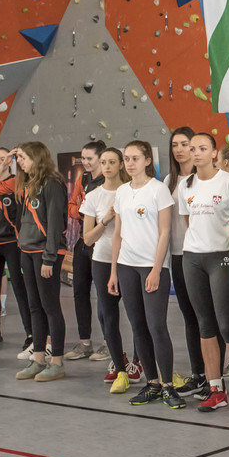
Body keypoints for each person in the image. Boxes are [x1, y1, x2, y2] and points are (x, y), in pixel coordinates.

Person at [177, 134, 229, 411]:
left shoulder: (228, 182)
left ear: (214, 153)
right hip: (192, 259)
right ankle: (216, 390)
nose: (196, 153)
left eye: (202, 148)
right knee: (205, 325)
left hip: (222, 258)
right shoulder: (185, 185)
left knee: (227, 325)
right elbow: (189, 221)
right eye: (192, 148)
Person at [110, 140, 187, 408]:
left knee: (156, 326)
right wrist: (113, 271)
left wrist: (156, 269)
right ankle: (152, 383)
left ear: (146, 160)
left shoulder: (158, 190)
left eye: (135, 158)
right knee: (137, 326)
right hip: (126, 266)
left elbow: (165, 232)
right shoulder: (121, 192)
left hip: (152, 267)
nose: (130, 163)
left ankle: (168, 387)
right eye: (126, 158)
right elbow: (117, 234)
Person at [82, 148, 140, 393]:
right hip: (103, 260)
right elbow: (87, 238)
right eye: (103, 162)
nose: (106, 166)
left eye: (112, 162)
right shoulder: (93, 196)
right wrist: (105, 219)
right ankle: (119, 364)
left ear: (120, 165)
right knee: (107, 316)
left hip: (130, 260)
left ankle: (138, 362)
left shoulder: (130, 191)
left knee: (137, 315)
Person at [12, 141, 70, 382]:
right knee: (34, 306)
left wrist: (49, 258)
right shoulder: (27, 184)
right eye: (18, 158)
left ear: (37, 158)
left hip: (45, 253)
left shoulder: (52, 183)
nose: (20, 162)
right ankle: (38, 358)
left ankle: (56, 361)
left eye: (23, 157)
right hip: (27, 251)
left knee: (50, 306)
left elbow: (55, 223)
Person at [165, 126, 205, 392]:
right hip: (178, 256)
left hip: (201, 255)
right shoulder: (169, 181)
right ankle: (198, 373)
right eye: (175, 145)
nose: (179, 149)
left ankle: (214, 376)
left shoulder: (203, 179)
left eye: (185, 144)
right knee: (189, 317)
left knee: (206, 317)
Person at [0, 151, 31, 353]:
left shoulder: (18, 182)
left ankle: (31, 334)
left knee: (20, 289)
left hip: (12, 243)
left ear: (11, 161)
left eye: (3, 158)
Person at [66, 141, 108, 362]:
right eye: (83, 158)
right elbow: (71, 207)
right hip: (83, 242)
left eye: (89, 158)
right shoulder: (82, 179)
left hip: (102, 242)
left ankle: (108, 343)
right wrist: (85, 212)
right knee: (79, 291)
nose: (85, 162)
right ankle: (85, 343)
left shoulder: (109, 180)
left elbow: (106, 213)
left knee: (104, 295)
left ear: (101, 159)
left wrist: (85, 209)